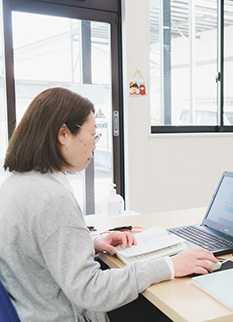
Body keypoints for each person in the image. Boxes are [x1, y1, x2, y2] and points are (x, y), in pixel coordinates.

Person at [0, 87, 218, 322]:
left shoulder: (15, 183)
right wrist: (170, 266)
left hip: (31, 307)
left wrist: (89, 244)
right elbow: (90, 290)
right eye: (93, 136)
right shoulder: (52, 198)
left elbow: (36, 249)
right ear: (63, 134)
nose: (94, 145)